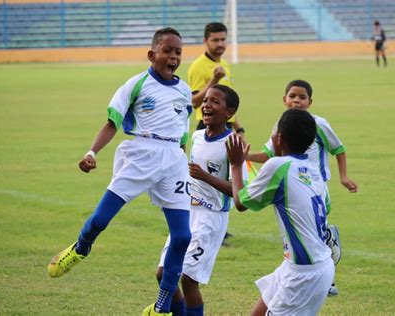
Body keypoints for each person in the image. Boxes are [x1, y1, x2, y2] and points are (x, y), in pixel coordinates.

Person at [47, 27, 193, 315]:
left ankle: (161, 308)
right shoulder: (136, 84)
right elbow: (112, 122)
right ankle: (80, 248)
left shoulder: (184, 90)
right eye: (167, 51)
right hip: (141, 154)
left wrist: (183, 167)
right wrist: (91, 153)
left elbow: (183, 133)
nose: (173, 56)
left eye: (178, 52)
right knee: (101, 219)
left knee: (183, 237)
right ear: (152, 55)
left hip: (174, 160)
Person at [247, 79, 359, 296]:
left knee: (311, 234)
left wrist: (343, 177)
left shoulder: (317, 125)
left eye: (302, 97)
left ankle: (327, 278)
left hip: (316, 187)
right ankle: (322, 251)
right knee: (298, 232)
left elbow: (339, 149)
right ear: (284, 99)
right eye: (292, 96)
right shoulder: (281, 126)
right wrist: (244, 156)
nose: (296, 101)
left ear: (310, 102)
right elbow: (269, 154)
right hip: (292, 187)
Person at [226, 109, 335, 315]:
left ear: (279, 138)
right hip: (310, 265)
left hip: (303, 274)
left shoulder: (277, 166)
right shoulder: (313, 170)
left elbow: (240, 202)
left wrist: (236, 164)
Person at [156, 85, 247, 316]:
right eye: (206, 100)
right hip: (186, 214)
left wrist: (205, 177)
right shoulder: (196, 136)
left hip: (211, 218)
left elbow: (240, 192)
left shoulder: (233, 145)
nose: (207, 105)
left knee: (188, 279)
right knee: (163, 273)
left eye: (215, 102)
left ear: (229, 113)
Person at [187, 22, 244, 135]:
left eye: (223, 39)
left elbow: (227, 102)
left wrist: (239, 129)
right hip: (209, 125)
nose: (220, 44)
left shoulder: (224, 64)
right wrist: (215, 80)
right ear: (205, 41)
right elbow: (194, 102)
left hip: (226, 126)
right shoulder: (198, 66)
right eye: (215, 40)